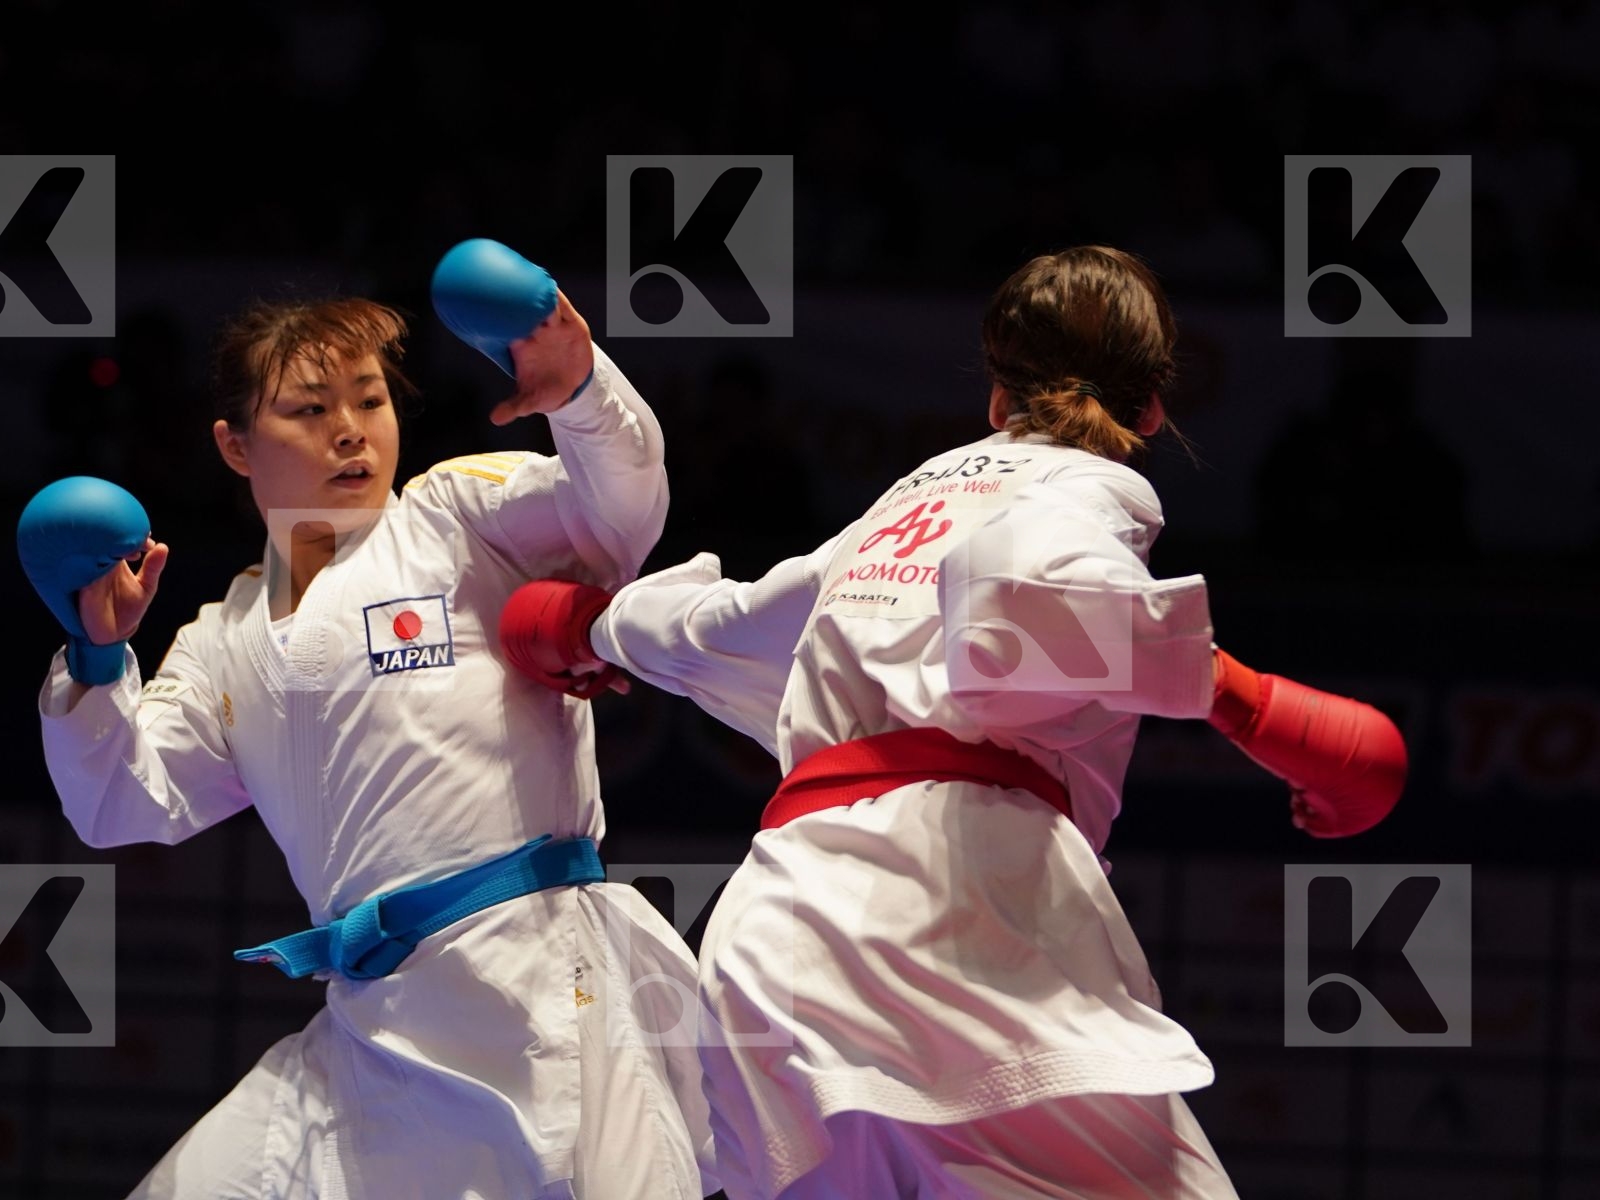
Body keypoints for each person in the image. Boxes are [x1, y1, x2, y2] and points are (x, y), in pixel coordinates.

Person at [500, 245, 1407, 1199]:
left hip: (776, 950)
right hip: (949, 928)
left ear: (994, 398)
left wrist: (583, 628)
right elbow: (1028, 587)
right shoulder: (1090, 493)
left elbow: (730, 621)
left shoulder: (900, 513)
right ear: (1149, 412)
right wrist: (1240, 699)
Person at [28, 254, 718, 1199]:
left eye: (370, 401)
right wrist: (98, 657)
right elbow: (119, 804)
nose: (350, 432)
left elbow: (619, 511)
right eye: (310, 411)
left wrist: (583, 393)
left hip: (533, 981)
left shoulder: (454, 517)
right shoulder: (223, 638)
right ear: (236, 446)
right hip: (367, 1023)